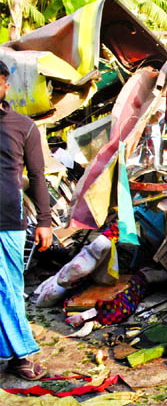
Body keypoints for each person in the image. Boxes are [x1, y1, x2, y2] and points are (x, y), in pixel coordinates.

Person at [0, 60, 52, 380]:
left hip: (7, 219)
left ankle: (21, 355)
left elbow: (37, 177)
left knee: (7, 288)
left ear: (5, 85)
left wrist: (45, 220)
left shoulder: (23, 127)